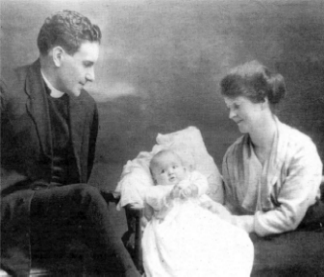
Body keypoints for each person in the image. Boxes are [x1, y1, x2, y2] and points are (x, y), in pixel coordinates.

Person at [1, 10, 140, 277]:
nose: (93, 76)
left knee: (94, 203)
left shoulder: (86, 107)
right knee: (87, 197)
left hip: (55, 220)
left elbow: (77, 176)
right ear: (58, 56)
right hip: (9, 217)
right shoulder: (7, 89)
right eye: (87, 64)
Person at [220, 60, 323, 237]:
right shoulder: (232, 155)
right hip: (253, 241)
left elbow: (289, 217)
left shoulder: (300, 149)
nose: (231, 115)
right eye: (229, 107)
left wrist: (239, 222)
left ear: (262, 101)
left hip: (304, 238)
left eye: (237, 105)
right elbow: (231, 209)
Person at [142, 150, 253, 277]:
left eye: (174, 167)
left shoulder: (190, 180)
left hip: (198, 217)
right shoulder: (157, 190)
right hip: (174, 223)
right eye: (163, 171)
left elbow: (202, 183)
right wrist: (170, 196)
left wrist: (194, 189)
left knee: (225, 238)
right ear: (155, 179)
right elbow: (158, 208)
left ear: (183, 169)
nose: (170, 172)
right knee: (180, 249)